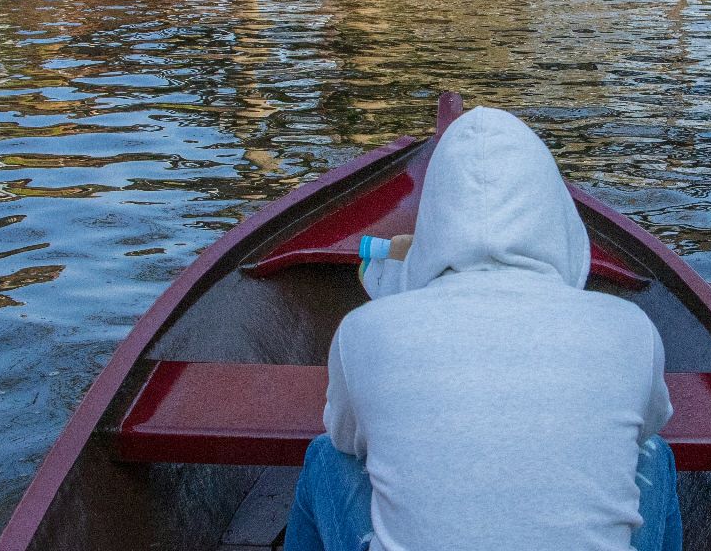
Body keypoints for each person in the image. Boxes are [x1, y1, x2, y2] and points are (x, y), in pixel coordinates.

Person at [284, 106, 680, 551]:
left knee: (325, 456)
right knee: (656, 456)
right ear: (555, 213)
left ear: (433, 224)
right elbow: (649, 425)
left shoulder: (362, 329)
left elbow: (344, 436)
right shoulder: (630, 327)